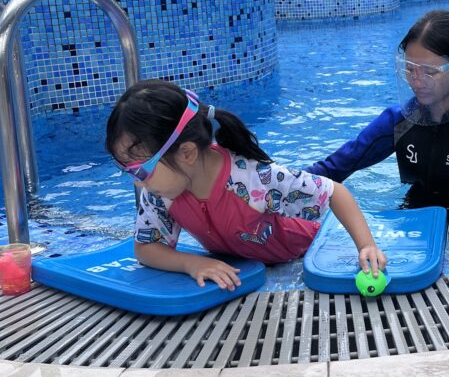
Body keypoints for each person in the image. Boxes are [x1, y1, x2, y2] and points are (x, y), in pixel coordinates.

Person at [106, 79, 386, 290]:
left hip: (303, 250)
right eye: (127, 171)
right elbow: (146, 249)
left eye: (140, 170)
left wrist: (366, 246)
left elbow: (335, 192)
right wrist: (192, 263)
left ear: (187, 153)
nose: (137, 181)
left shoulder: (254, 179)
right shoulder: (161, 192)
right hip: (244, 260)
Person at [306, 10, 449, 239]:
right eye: (410, 69)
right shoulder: (397, 122)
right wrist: (283, 187)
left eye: (430, 72)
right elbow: (335, 168)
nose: (417, 81)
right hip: (412, 218)